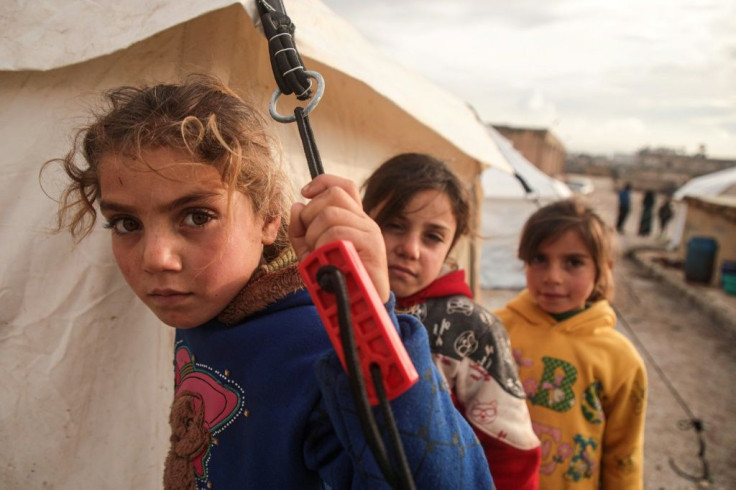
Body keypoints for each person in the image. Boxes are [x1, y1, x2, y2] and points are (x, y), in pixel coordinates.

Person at [44, 76, 495, 489]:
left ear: (269, 218)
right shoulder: (209, 306)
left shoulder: (319, 351)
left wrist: (373, 320)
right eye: (126, 223)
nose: (156, 258)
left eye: (197, 217)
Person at [362, 153, 542, 490]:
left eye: (433, 237)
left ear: (451, 247)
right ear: (363, 219)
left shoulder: (472, 329)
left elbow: (511, 451)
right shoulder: (328, 304)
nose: (410, 249)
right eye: (394, 225)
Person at [494, 198, 647, 489]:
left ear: (603, 270)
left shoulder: (620, 359)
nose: (553, 277)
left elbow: (624, 454)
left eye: (573, 263)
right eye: (539, 259)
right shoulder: (495, 328)